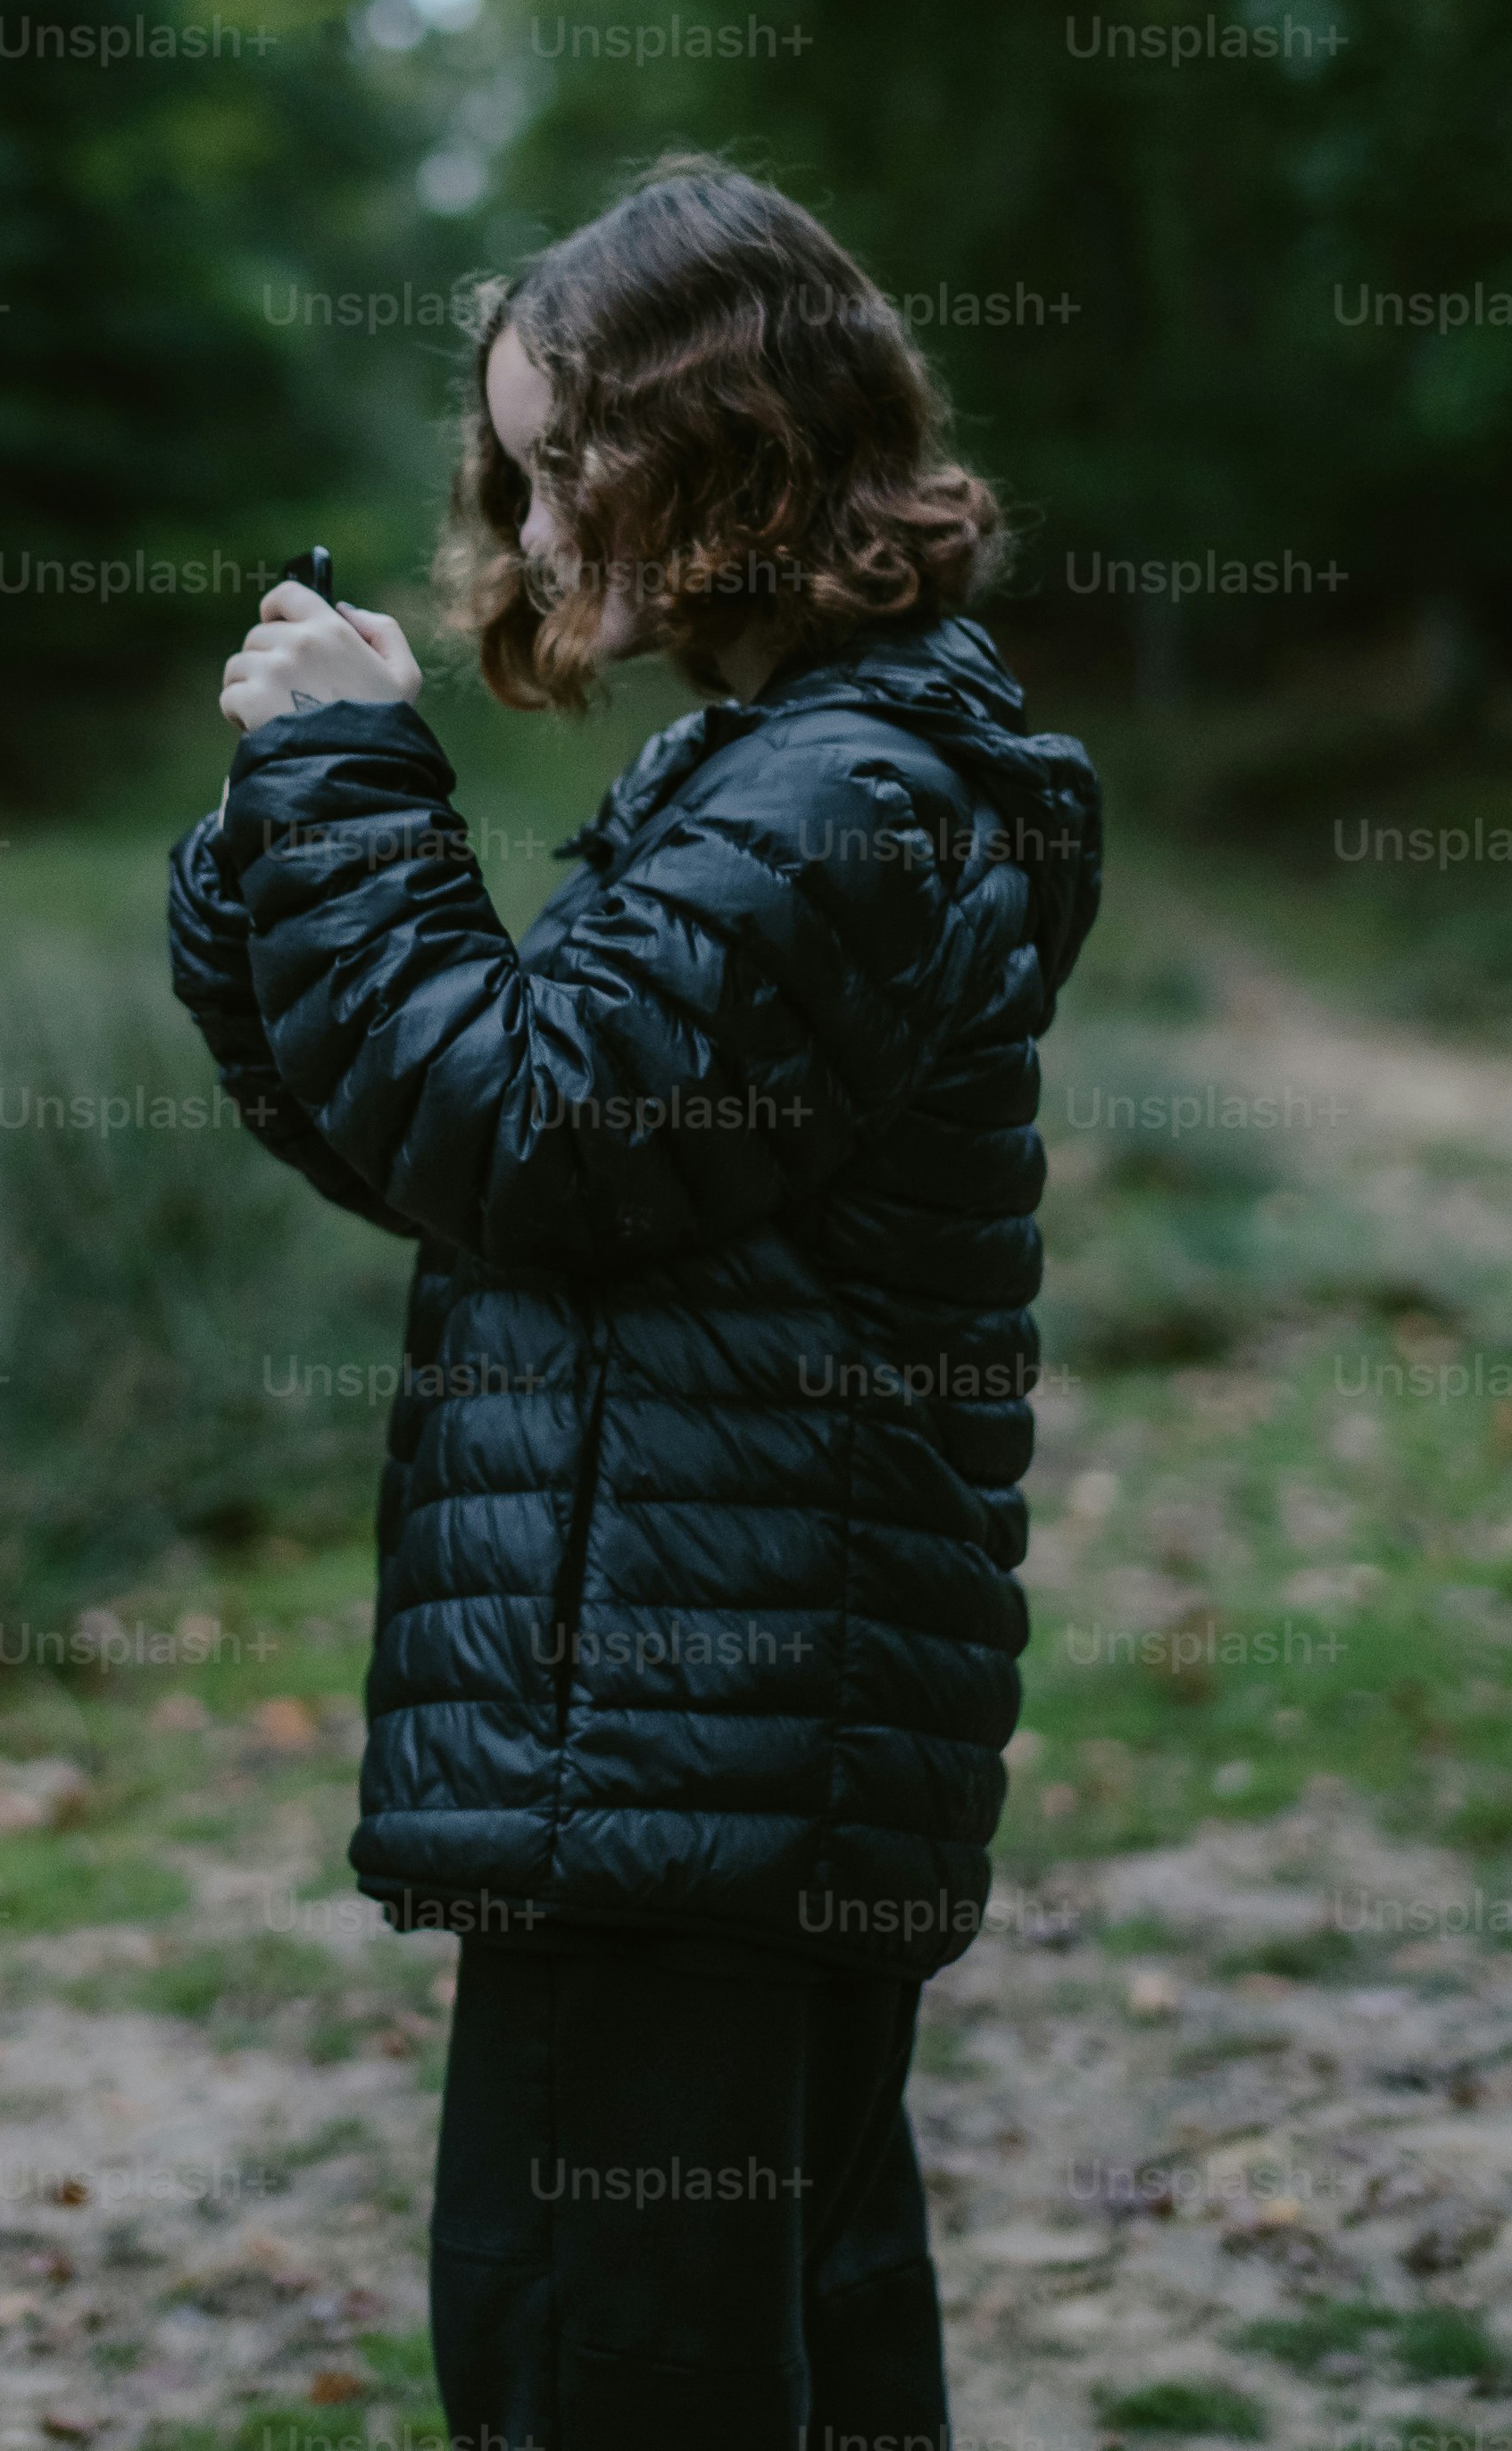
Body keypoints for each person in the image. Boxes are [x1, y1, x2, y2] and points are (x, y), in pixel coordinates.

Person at [164, 156, 1102, 2446]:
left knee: (616, 2369)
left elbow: (522, 1127)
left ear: (737, 443)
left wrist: (345, 784)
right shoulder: (782, 767)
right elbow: (455, 1157)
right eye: (516, 459)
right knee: (781, 2354)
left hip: (687, 1754)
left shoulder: (846, 794)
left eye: (573, 449)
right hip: (703, 1753)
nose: (540, 510)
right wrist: (274, 835)